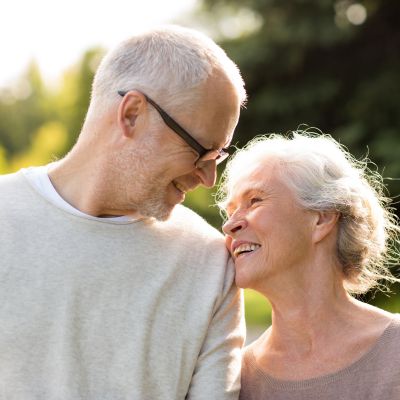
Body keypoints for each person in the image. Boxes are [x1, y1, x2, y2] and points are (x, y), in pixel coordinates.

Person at [0, 25, 247, 399]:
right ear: (132, 114)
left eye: (219, 156)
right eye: (201, 150)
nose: (209, 177)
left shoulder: (210, 265)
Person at [219, 130, 400, 400]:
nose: (229, 225)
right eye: (231, 210)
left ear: (322, 219)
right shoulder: (234, 381)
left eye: (254, 201)